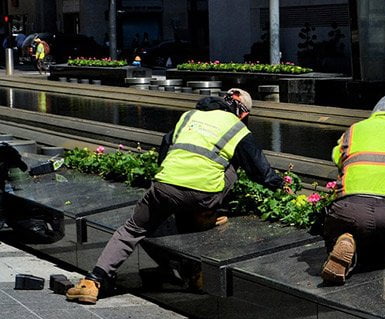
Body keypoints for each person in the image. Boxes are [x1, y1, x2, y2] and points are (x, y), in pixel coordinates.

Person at [66, 88, 283, 304]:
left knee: (131, 229)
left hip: (165, 186)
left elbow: (165, 146)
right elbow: (261, 172)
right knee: (233, 162)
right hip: (205, 194)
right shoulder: (237, 128)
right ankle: (207, 220)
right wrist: (281, 187)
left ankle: (93, 282)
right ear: (244, 114)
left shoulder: (188, 116)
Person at [321, 95, 385, 284]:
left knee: (347, 224)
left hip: (350, 210)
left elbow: (339, 161)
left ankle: (346, 242)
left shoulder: (353, 130)